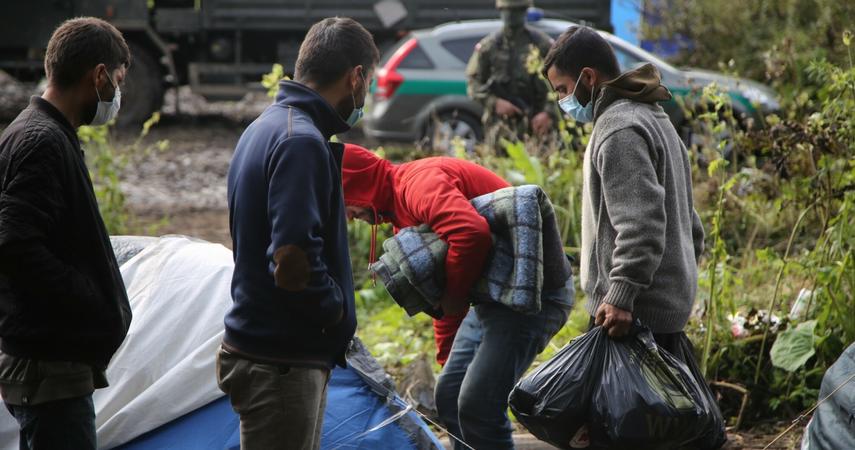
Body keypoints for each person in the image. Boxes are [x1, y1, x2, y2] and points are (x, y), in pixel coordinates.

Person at [340, 144, 573, 449]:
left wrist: (453, 296)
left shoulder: (417, 184)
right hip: (494, 297)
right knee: (449, 394)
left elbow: (470, 233)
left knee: (479, 405)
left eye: (344, 204)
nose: (349, 216)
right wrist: (447, 353)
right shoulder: (400, 215)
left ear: (357, 187)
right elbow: (443, 295)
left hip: (533, 293)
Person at [219, 17, 378, 450]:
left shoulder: (267, 126)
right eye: (369, 82)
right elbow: (290, 260)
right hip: (281, 361)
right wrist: (335, 312)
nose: (366, 95)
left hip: (269, 353)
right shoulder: (300, 141)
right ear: (356, 77)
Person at [0, 17, 133, 450]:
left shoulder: (39, 131)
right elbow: (16, 246)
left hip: (50, 366)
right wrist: (90, 300)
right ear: (98, 76)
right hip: (51, 371)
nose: (117, 93)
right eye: (117, 80)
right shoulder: (42, 141)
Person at [542, 25, 706, 358]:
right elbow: (692, 225)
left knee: (612, 409)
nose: (562, 102)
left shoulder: (619, 130)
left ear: (588, 78)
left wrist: (620, 294)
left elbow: (641, 225)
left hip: (630, 316)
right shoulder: (653, 117)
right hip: (659, 310)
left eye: (562, 90)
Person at [466, 0, 555, 153]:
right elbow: (473, 83)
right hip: (499, 129)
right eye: (507, 10)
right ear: (500, 11)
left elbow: (560, 84)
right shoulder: (489, 46)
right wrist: (494, 102)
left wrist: (548, 113)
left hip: (537, 126)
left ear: (525, 11)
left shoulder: (541, 44)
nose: (511, 15)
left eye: (517, 10)